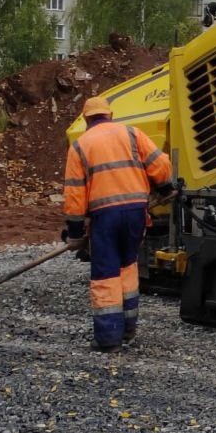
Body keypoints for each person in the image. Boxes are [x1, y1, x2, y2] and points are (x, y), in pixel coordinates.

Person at [63, 96, 174, 351]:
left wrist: (76, 232)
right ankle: (128, 331)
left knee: (106, 274)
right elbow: (161, 164)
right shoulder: (132, 134)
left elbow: (75, 194)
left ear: (87, 119)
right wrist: (165, 187)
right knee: (127, 266)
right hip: (136, 212)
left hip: (105, 217)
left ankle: (108, 339)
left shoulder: (79, 146)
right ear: (109, 115)